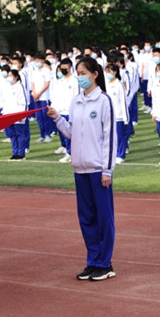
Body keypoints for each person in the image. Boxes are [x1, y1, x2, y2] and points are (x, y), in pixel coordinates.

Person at [47, 56, 117, 281]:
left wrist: (107, 170)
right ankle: (93, 260)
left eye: (84, 73)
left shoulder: (103, 101)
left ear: (95, 74)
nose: (80, 77)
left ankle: (105, 263)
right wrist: (58, 118)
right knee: (86, 219)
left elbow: (109, 137)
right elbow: (72, 132)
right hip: (80, 169)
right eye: (78, 74)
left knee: (103, 218)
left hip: (98, 169)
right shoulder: (76, 101)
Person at [0, 69, 28, 161]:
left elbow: (23, 102)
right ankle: (15, 153)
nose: (9, 77)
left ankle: (21, 154)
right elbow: (4, 101)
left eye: (11, 76)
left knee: (20, 135)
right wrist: (4, 113)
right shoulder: (6, 87)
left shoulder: (20, 87)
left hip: (17, 114)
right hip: (8, 114)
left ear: (16, 77)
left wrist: (21, 114)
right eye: (8, 75)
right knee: (12, 135)